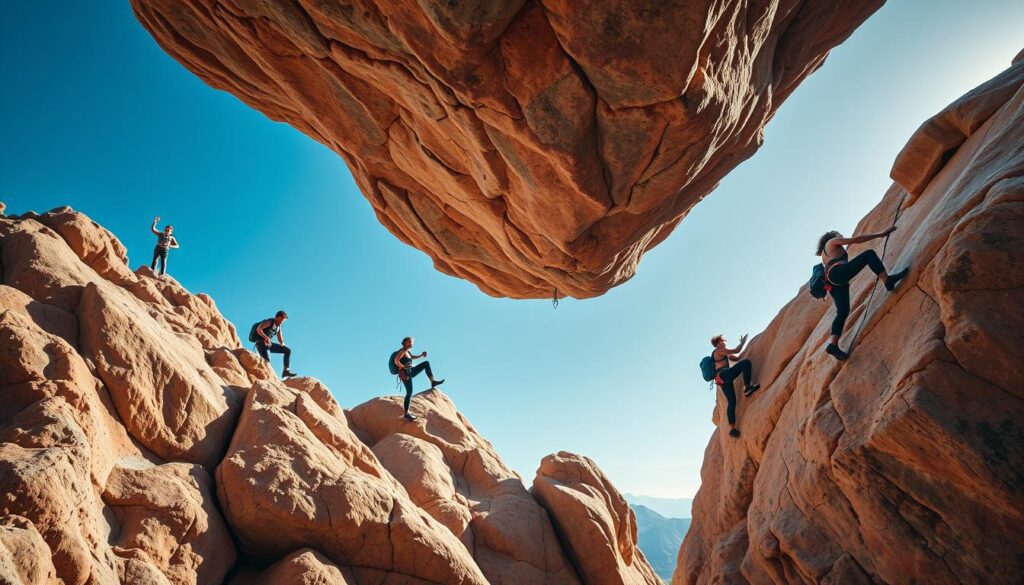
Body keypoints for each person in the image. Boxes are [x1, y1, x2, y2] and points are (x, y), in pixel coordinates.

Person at [817, 228, 909, 360]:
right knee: (869, 255)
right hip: (837, 273)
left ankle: (833, 344)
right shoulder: (832, 242)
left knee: (842, 312)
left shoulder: (825, 256)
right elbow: (856, 240)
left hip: (833, 283)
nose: (841, 235)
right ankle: (887, 280)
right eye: (839, 234)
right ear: (832, 236)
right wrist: (880, 233)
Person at [711, 334, 761, 438]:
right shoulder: (718, 351)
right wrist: (742, 342)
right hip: (724, 375)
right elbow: (736, 350)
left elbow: (737, 357)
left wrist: (748, 349)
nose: (725, 342)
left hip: (721, 380)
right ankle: (747, 387)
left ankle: (732, 429)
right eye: (723, 341)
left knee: (732, 401)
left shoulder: (723, 354)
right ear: (718, 343)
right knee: (746, 363)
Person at [392, 337, 444, 421]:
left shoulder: (407, 352)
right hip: (406, 373)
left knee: (426, 363)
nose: (412, 343)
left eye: (412, 342)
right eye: (410, 342)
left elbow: (412, 357)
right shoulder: (402, 351)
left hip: (410, 371)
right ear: (405, 342)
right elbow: (396, 360)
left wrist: (421, 355)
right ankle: (406, 414)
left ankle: (432, 381)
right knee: (409, 392)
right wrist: (403, 367)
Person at [254, 311, 297, 378]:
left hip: (268, 344)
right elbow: (258, 329)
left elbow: (280, 337)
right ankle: (261, 376)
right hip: (261, 344)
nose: (283, 322)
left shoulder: (278, 327)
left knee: (287, 350)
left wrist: (282, 345)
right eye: (283, 319)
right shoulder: (269, 322)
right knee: (267, 362)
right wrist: (265, 337)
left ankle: (285, 371)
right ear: (279, 317)